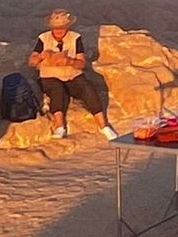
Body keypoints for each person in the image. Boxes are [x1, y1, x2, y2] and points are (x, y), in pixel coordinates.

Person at [29, 10, 117, 141]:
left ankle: (103, 125)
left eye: (62, 28)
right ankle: (60, 127)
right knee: (57, 91)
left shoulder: (75, 38)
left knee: (87, 88)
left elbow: (81, 63)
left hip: (71, 74)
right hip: (50, 75)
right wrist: (42, 56)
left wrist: (69, 61)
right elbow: (32, 62)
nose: (59, 31)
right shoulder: (43, 38)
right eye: (56, 28)